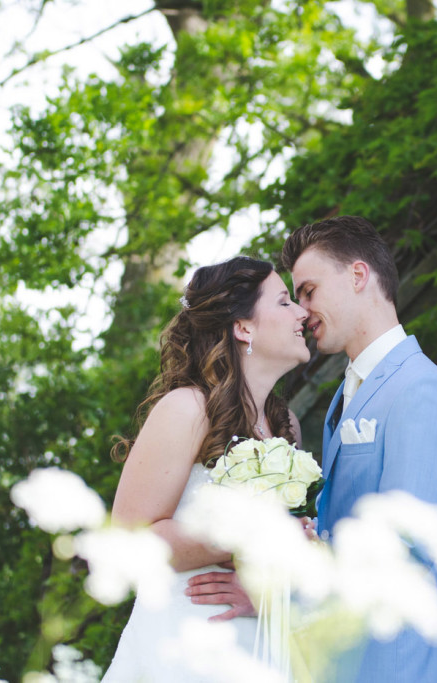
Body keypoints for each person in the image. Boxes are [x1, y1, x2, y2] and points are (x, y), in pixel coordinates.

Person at [188, 215, 437, 681]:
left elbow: (410, 546)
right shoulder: (347, 394)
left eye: (308, 291)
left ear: (358, 276)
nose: (301, 312)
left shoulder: (422, 389)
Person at [101, 256, 310, 682]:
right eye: (284, 302)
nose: (302, 313)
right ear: (243, 327)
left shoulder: (287, 425)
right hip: (184, 643)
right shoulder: (187, 409)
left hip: (262, 646)